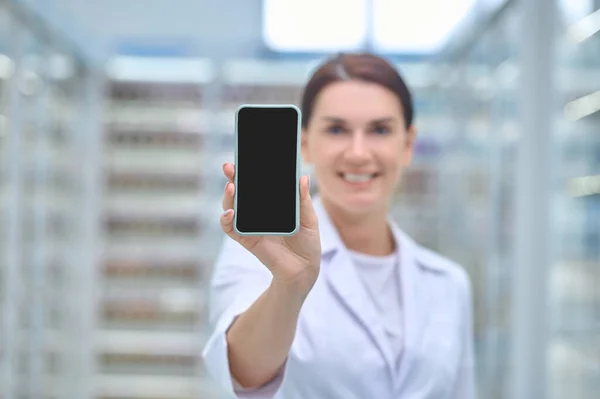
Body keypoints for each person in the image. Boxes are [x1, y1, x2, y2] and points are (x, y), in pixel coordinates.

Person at [202, 53, 476, 399]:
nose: (358, 153)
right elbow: (244, 373)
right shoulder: (260, 252)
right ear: (305, 145)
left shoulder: (449, 284)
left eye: (379, 130)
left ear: (407, 144)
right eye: (336, 129)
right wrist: (290, 285)